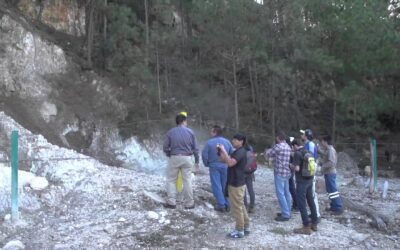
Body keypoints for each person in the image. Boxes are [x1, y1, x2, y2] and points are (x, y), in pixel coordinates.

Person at [163, 112, 199, 209]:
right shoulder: (190, 132)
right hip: (187, 158)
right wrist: (197, 161)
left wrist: (169, 154)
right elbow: (195, 148)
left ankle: (171, 202)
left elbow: (165, 147)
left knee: (171, 180)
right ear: (184, 121)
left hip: (174, 157)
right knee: (187, 180)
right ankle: (189, 203)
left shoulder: (170, 132)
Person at [218, 133, 250, 238]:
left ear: (241, 141)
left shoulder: (241, 152)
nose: (233, 141)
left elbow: (231, 163)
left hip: (237, 183)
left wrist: (224, 150)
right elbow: (224, 160)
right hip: (237, 182)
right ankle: (245, 227)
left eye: (235, 140)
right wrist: (220, 152)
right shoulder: (237, 151)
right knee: (240, 205)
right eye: (233, 139)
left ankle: (239, 230)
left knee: (237, 207)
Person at [201, 125, 233, 212]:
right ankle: (227, 203)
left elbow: (204, 154)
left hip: (214, 166)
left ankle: (221, 204)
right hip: (225, 166)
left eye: (211, 131)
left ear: (215, 132)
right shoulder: (227, 142)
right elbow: (232, 153)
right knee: (225, 185)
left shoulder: (209, 142)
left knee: (216, 185)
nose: (210, 132)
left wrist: (206, 163)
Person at [291, 139, 319, 235]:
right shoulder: (309, 152)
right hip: (310, 180)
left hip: (301, 181)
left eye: (292, 147)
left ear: (295, 145)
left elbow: (297, 168)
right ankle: (314, 223)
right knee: (310, 200)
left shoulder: (297, 154)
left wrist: (291, 165)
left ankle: (306, 226)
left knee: (301, 203)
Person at [266, 131, 292, 221]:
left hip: (279, 173)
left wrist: (267, 150)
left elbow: (269, 154)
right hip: (287, 172)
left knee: (280, 194)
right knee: (287, 193)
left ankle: (285, 214)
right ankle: (288, 211)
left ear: (278, 138)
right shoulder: (288, 146)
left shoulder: (278, 146)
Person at [319, 135, 344, 215]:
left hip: (330, 173)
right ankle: (333, 206)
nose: (321, 142)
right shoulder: (327, 150)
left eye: (322, 141)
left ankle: (338, 207)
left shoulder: (330, 150)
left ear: (325, 141)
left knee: (333, 190)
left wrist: (322, 167)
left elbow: (331, 162)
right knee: (330, 190)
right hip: (328, 173)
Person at [300, 129, 321, 219]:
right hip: (308, 172)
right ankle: (314, 213)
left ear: (307, 136)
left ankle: (316, 214)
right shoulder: (307, 144)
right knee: (310, 194)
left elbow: (312, 160)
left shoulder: (311, 145)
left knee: (312, 193)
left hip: (310, 172)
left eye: (303, 134)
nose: (301, 135)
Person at [286, 137, 298, 211]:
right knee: (291, 188)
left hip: (289, 170)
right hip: (291, 171)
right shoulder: (291, 149)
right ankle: (295, 204)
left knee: (291, 188)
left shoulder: (290, 150)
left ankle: (295, 204)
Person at [243, 145, 256, 213]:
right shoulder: (251, 153)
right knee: (250, 189)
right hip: (250, 173)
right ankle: (252, 206)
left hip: (243, 173)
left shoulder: (242, 153)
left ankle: (245, 206)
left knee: (243, 190)